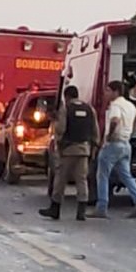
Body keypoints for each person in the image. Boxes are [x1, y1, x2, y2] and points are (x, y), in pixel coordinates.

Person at [39, 86, 99, 221]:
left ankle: (55, 208)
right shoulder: (89, 109)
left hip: (67, 150)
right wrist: (94, 146)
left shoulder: (66, 109)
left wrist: (58, 141)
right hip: (84, 150)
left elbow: (61, 129)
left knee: (60, 179)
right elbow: (95, 131)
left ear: (66, 97)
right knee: (82, 180)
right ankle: (81, 211)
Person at [92, 80, 136, 218]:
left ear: (115, 92)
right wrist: (131, 132)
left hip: (113, 144)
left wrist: (109, 137)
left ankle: (101, 207)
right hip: (125, 144)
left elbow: (115, 120)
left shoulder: (115, 105)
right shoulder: (129, 105)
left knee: (102, 175)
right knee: (126, 175)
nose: (105, 93)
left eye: (108, 90)